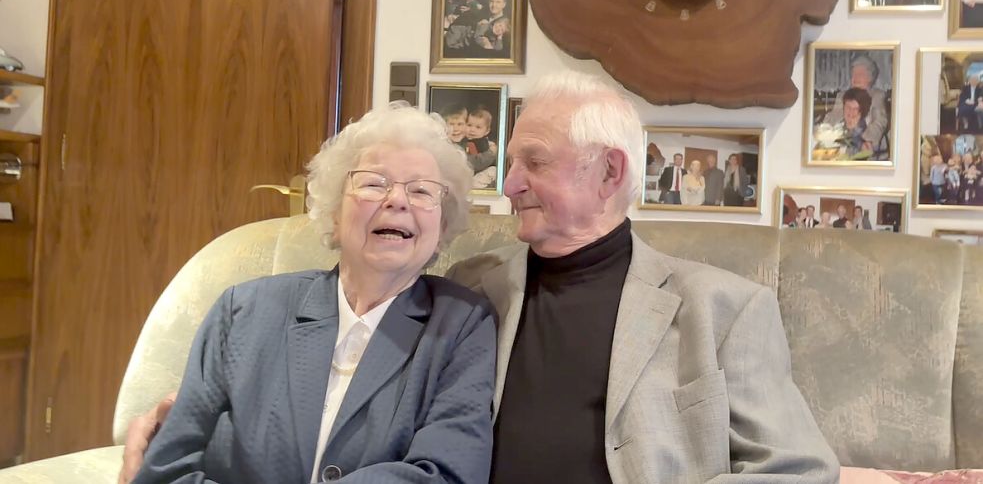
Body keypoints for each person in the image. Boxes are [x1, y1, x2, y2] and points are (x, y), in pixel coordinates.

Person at [121, 71, 840, 483]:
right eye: (509, 161)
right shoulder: (472, 290)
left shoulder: (722, 308)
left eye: (533, 161)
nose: (508, 180)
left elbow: (800, 471)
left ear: (607, 172)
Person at [129, 105, 497, 484]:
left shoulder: (463, 325)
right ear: (335, 216)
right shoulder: (242, 310)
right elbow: (165, 470)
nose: (397, 200)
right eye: (374, 183)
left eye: (421, 190)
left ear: (442, 226)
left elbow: (447, 475)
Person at [821, 56, 890, 158]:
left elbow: (880, 122)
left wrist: (865, 141)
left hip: (870, 149)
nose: (855, 77)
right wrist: (828, 130)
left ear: (870, 78)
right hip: (843, 145)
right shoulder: (842, 95)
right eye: (853, 74)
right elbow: (833, 118)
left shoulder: (877, 96)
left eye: (860, 74)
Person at [465, 107, 498, 189]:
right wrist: (491, 153)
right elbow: (474, 163)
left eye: (478, 127)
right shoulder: (465, 143)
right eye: (469, 125)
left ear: (487, 131)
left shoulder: (484, 143)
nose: (472, 129)